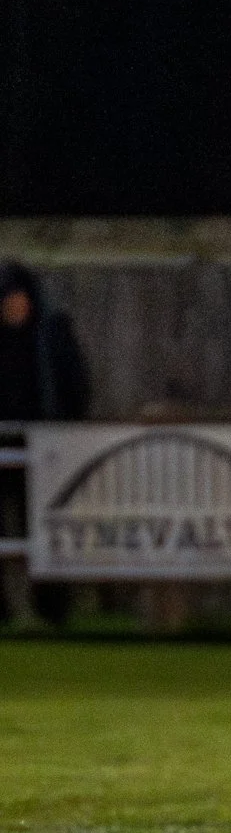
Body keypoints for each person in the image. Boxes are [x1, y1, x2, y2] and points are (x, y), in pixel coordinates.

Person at [0, 262, 90, 627]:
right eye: (7, 300)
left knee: (46, 529)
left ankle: (52, 611)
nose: (14, 307)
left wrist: (64, 431)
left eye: (18, 299)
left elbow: (75, 384)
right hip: (3, 443)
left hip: (44, 448)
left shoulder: (52, 332)